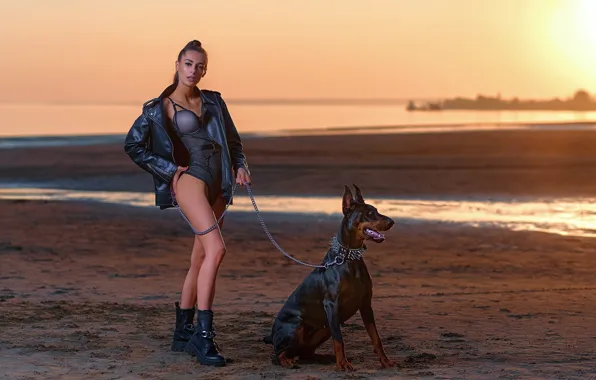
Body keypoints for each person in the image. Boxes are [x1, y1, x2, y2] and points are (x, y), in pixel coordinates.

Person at [124, 40, 251, 367]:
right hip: (190, 180)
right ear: (178, 64)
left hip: (219, 182)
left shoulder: (214, 101)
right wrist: (169, 170)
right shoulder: (159, 107)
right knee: (217, 250)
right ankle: (203, 337)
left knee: (200, 257)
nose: (194, 71)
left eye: (200, 66)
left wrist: (241, 167)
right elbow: (134, 146)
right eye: (189, 64)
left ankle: (182, 332)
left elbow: (233, 141)